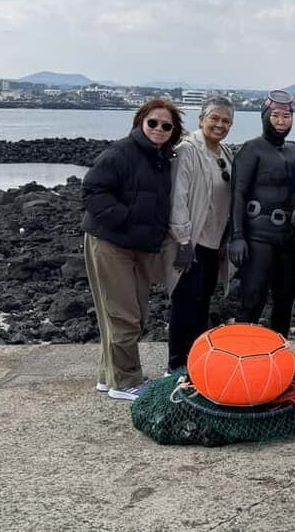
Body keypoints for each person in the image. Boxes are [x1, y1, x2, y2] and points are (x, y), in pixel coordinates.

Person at [82, 98, 184, 400]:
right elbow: (92, 191)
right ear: (141, 121)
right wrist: (124, 220)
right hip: (111, 242)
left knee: (131, 312)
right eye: (153, 122)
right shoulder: (120, 153)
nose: (159, 129)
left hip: (137, 246)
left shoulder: (161, 158)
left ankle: (108, 375)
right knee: (123, 314)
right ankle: (125, 382)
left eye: (167, 125)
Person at [163, 96, 235, 375]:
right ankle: (176, 366)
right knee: (184, 304)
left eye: (226, 120)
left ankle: (195, 362)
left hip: (213, 243)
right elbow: (178, 198)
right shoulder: (187, 151)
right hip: (190, 243)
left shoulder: (224, 153)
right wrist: (183, 241)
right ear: (201, 119)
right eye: (214, 118)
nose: (220, 124)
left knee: (202, 304)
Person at [229, 90, 295, 336]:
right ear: (265, 117)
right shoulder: (252, 150)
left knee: (285, 300)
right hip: (258, 237)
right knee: (252, 299)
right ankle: (240, 353)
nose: (281, 121)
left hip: (289, 238)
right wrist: (237, 236)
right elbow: (237, 194)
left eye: (287, 116)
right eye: (276, 116)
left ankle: (278, 353)